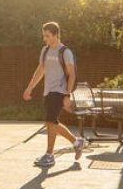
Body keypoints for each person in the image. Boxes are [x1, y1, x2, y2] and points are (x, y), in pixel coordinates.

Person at [22, 22, 85, 167]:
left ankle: (49, 155)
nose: (44, 38)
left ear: (56, 35)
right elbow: (40, 71)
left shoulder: (65, 52)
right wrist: (29, 87)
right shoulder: (45, 51)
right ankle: (77, 142)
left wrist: (67, 95)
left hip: (60, 91)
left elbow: (72, 74)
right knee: (51, 122)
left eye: (47, 36)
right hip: (48, 91)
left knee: (50, 122)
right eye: (44, 35)